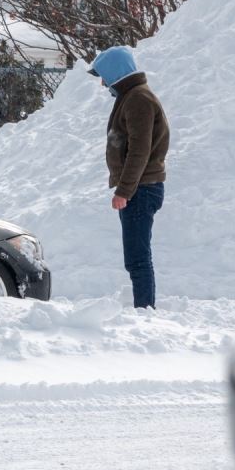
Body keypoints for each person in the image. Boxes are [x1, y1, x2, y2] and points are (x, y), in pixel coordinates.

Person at [89, 46, 170, 309]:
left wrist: (124, 191)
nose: (102, 83)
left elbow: (140, 149)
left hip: (141, 189)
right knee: (136, 256)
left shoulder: (138, 99)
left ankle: (145, 311)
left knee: (137, 258)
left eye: (103, 76)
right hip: (141, 186)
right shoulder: (131, 96)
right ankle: (144, 308)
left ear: (115, 73)